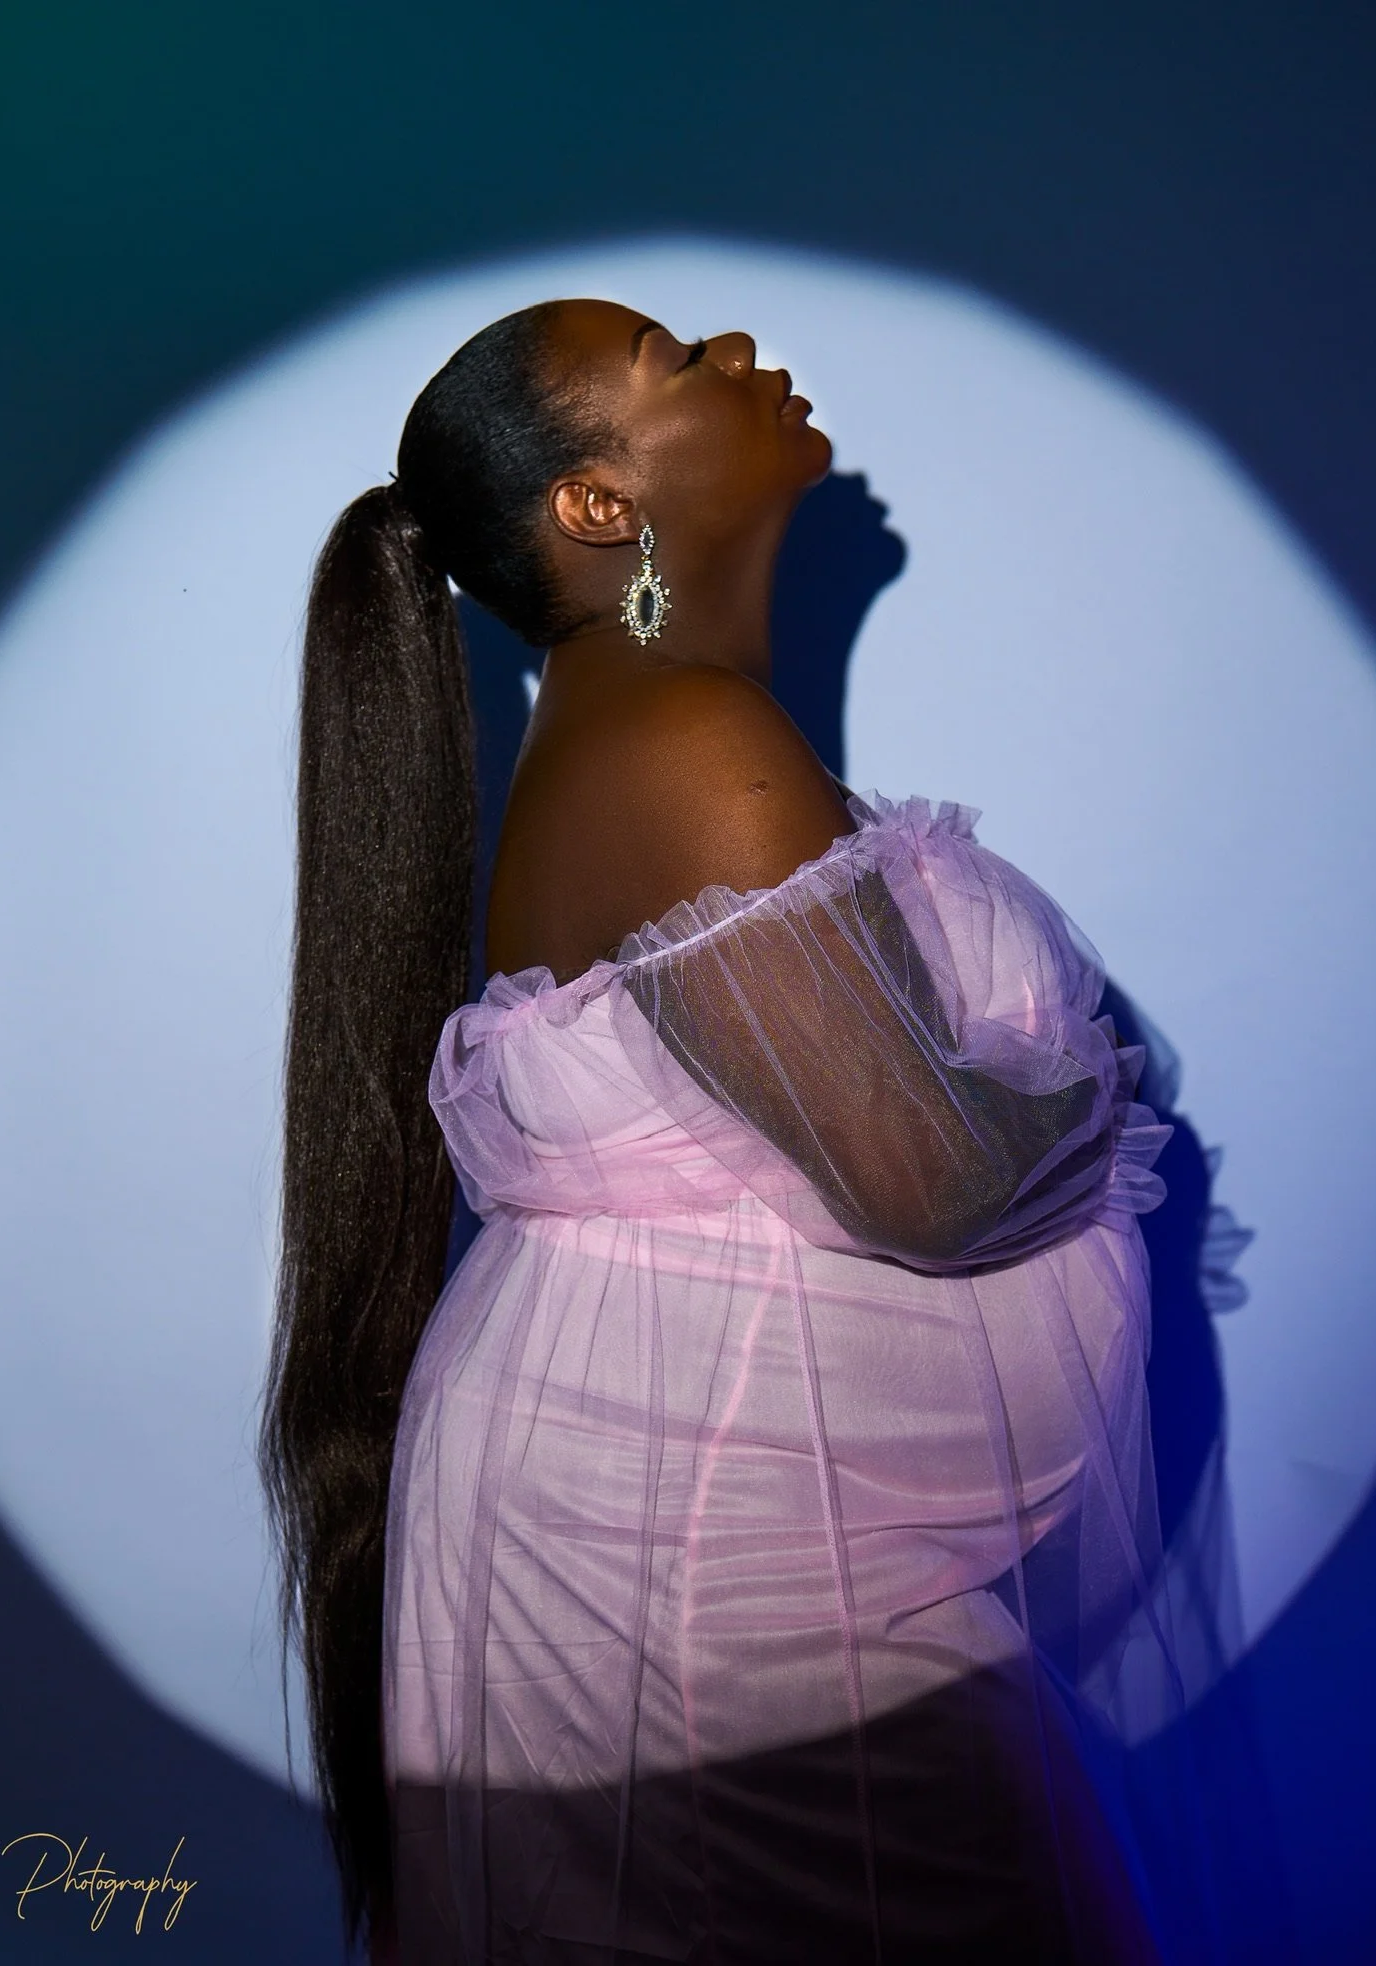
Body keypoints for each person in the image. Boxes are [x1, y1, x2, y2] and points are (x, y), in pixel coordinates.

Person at [259, 299, 1198, 1965]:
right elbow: (924, 1178)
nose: (742, 348)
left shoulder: (664, 725)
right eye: (677, 359)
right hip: (712, 1573)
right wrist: (1094, 1087)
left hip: (735, 1547)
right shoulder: (686, 739)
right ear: (597, 503)